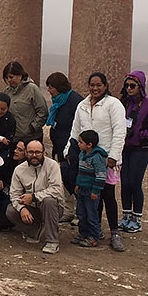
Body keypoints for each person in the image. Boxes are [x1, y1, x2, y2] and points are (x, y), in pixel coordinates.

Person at [64, 72, 127, 252]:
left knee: (107, 195)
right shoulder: (82, 105)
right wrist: (69, 149)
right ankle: (94, 231)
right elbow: (75, 130)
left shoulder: (113, 104)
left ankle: (114, 232)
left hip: (106, 159)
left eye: (99, 85)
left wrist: (113, 155)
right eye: (92, 85)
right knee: (92, 197)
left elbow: (119, 131)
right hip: (86, 159)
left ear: (105, 86)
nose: (95, 88)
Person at [118, 71, 148, 234]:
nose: (129, 89)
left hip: (140, 149)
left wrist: (142, 135)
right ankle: (126, 216)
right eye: (127, 85)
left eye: (132, 86)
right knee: (124, 183)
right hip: (124, 148)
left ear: (140, 87)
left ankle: (137, 219)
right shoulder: (123, 103)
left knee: (135, 183)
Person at [6, 140, 64, 255]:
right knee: (11, 210)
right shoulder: (19, 170)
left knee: (49, 201)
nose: (34, 155)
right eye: (31, 152)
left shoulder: (52, 165)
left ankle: (52, 241)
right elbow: (14, 195)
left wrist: (34, 197)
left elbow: (56, 189)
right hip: (31, 207)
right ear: (26, 153)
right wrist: (22, 209)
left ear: (44, 153)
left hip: (53, 208)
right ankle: (34, 231)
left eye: (37, 152)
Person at [44, 72, 84, 222]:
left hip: (71, 149)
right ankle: (68, 210)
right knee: (65, 181)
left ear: (59, 87)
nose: (49, 90)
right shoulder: (58, 101)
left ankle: (81, 213)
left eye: (51, 87)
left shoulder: (75, 101)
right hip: (59, 147)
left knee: (73, 180)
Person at [71, 130, 107, 249]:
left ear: (89, 144)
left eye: (81, 142)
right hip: (82, 189)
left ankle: (94, 236)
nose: (78, 144)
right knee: (81, 213)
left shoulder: (96, 158)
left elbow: (101, 176)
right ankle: (83, 234)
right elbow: (80, 172)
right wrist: (77, 184)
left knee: (91, 214)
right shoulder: (82, 154)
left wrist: (96, 191)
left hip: (91, 191)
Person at [3, 61, 50, 147]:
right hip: (14, 138)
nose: (9, 80)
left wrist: (32, 128)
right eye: (7, 77)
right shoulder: (7, 92)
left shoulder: (32, 89)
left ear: (20, 75)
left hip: (31, 138)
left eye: (11, 77)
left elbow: (43, 112)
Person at [0, 140, 25, 231]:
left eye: (20, 150)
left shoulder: (29, 169)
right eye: (16, 148)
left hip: (17, 198)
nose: (15, 151)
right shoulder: (9, 162)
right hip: (4, 191)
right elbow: (0, 174)